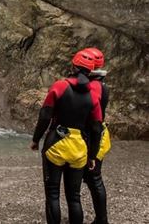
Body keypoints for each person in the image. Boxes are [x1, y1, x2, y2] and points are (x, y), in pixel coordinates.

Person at [31, 49, 103, 224]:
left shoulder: (60, 86)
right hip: (79, 148)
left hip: (56, 142)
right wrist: (92, 155)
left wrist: (36, 139)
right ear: (91, 70)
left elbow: (45, 115)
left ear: (73, 66)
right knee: (74, 197)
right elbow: (96, 128)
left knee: (53, 194)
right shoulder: (93, 96)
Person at [84, 47, 111, 224]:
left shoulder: (93, 87)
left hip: (92, 135)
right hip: (99, 133)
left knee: (93, 177)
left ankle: (102, 219)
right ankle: (101, 219)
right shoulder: (103, 86)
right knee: (93, 177)